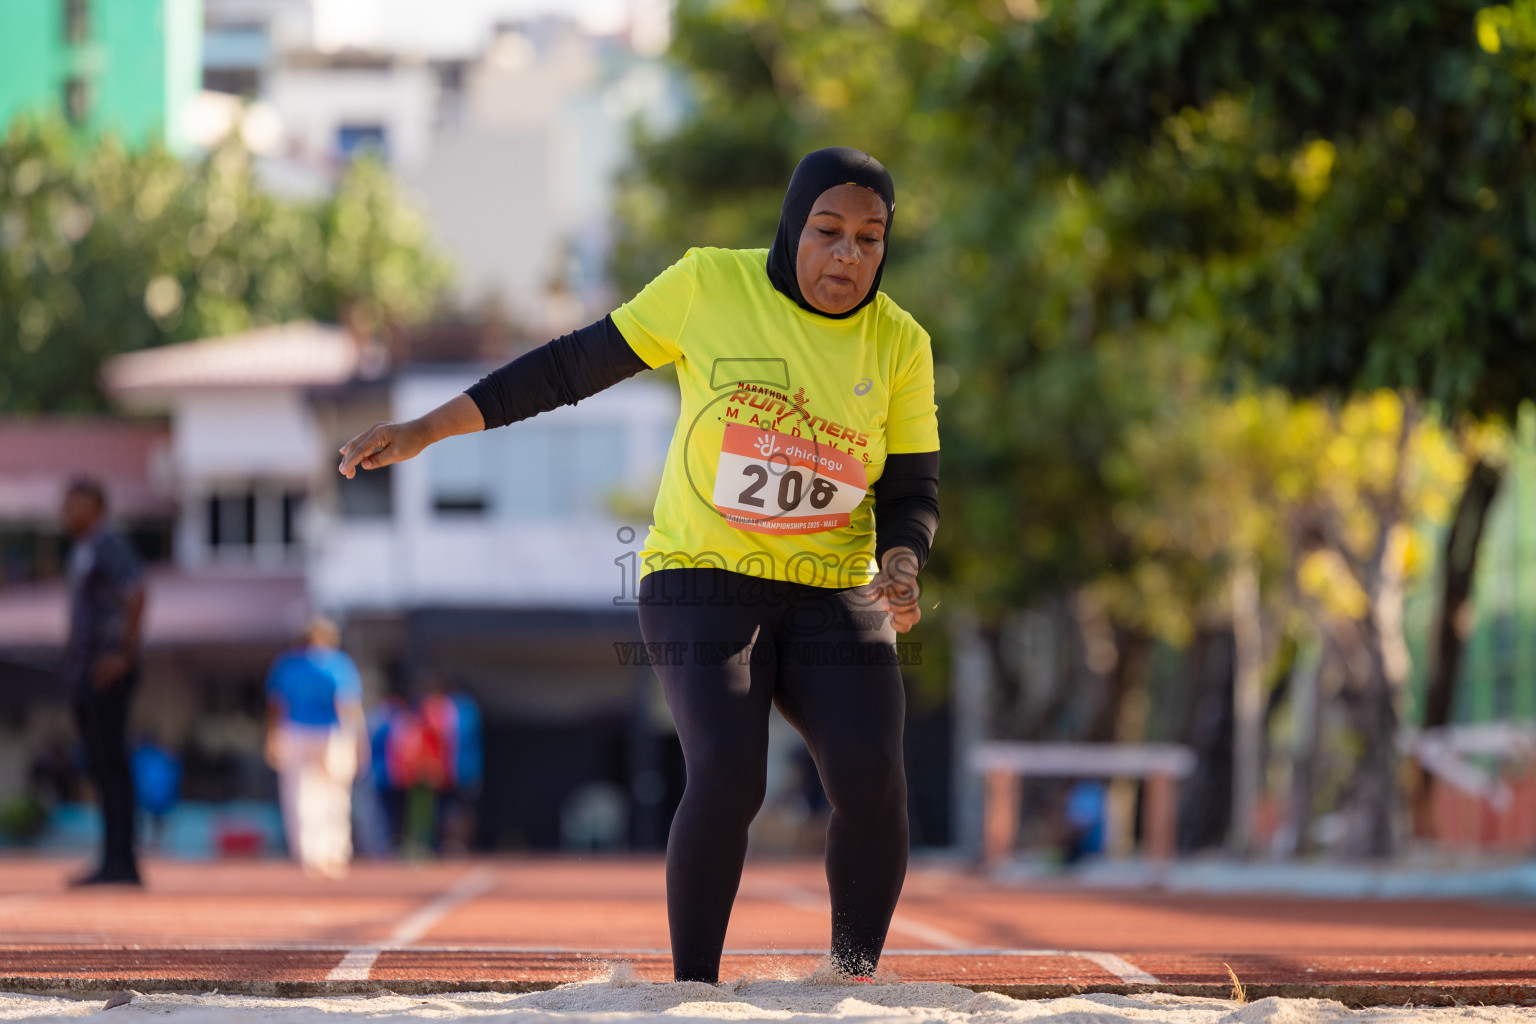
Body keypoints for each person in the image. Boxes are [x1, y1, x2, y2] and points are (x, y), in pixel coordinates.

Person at [338, 147, 939, 982]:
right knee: (729, 771)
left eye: (870, 239)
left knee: (874, 776)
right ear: (791, 225)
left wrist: (902, 563)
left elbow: (911, 490)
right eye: (828, 231)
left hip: (833, 589)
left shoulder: (901, 343)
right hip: (703, 581)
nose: (848, 255)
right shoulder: (708, 286)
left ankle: (849, 979)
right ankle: (693, 989)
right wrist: (428, 429)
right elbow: (569, 368)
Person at [61, 477, 147, 887]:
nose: (67, 513)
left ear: (96, 507)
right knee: (98, 764)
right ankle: (111, 857)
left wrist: (123, 654)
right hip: (85, 670)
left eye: (75, 504)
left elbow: (137, 591)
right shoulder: (84, 550)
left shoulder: (109, 545)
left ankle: (122, 862)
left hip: (106, 668)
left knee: (111, 764)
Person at [264, 617, 368, 878]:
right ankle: (335, 853)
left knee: (299, 795)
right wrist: (359, 741)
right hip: (332, 733)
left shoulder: (288, 664)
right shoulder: (340, 663)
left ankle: (309, 855)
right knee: (335, 795)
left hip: (296, 732)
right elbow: (349, 706)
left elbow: (277, 706)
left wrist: (272, 737)